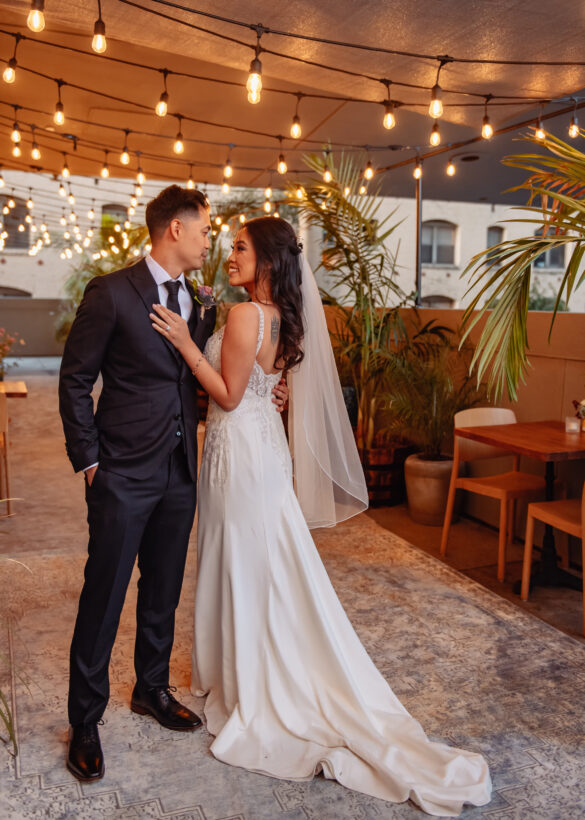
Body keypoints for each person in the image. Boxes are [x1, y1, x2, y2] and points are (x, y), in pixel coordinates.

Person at [150, 216, 492, 817]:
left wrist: (183, 341)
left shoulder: (242, 315)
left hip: (239, 452)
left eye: (240, 249)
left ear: (268, 262)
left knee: (241, 558)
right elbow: (264, 386)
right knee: (260, 559)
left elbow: (227, 396)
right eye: (228, 245)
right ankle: (250, 664)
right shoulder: (279, 317)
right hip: (261, 451)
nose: (229, 256)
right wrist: (258, 386)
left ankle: (250, 679)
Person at [58, 185, 288, 783]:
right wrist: (90, 461)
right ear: (175, 230)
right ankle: (85, 718)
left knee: (163, 589)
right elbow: (75, 380)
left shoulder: (199, 298)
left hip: (182, 470)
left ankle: (150, 689)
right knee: (104, 592)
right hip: (122, 471)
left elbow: (210, 376)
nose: (211, 240)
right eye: (206, 230)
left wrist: (266, 392)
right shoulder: (111, 292)